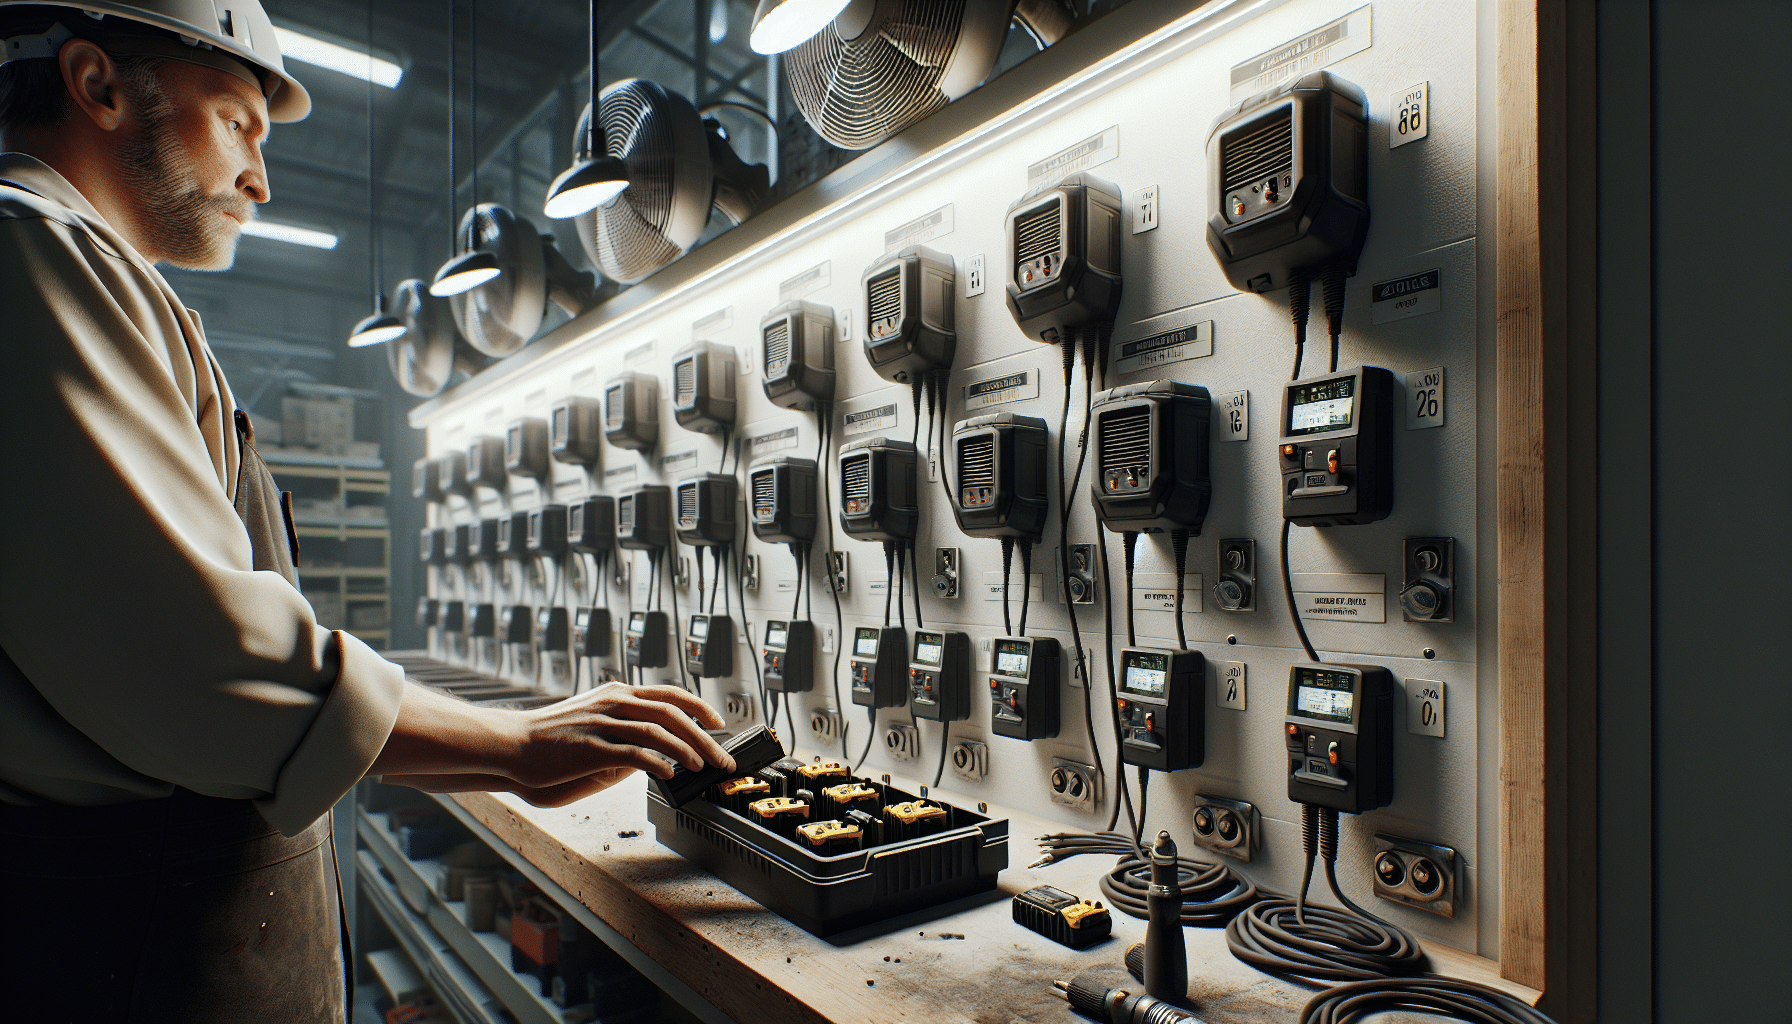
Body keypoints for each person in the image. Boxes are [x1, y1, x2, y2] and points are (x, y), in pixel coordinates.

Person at [0, 3, 733, 1020]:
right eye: (238, 120)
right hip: (126, 942)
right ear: (98, 85)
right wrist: (514, 748)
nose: (262, 176)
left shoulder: (98, 281)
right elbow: (202, 663)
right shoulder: (32, 251)